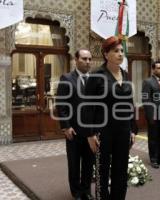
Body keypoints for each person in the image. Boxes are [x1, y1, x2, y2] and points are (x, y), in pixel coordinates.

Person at [84, 36, 138, 200]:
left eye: (122, 51)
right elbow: (87, 107)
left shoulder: (126, 75)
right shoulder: (96, 75)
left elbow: (129, 103)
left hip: (123, 130)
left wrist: (133, 129)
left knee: (121, 170)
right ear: (106, 54)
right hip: (102, 132)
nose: (120, 54)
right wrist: (90, 134)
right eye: (116, 51)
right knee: (102, 171)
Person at [56, 49, 94, 200]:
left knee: (88, 163)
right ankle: (77, 193)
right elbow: (61, 104)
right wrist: (66, 126)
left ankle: (86, 190)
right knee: (74, 163)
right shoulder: (67, 78)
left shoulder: (95, 79)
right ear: (76, 60)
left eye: (90, 59)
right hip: (74, 130)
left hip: (91, 131)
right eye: (84, 59)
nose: (88, 62)